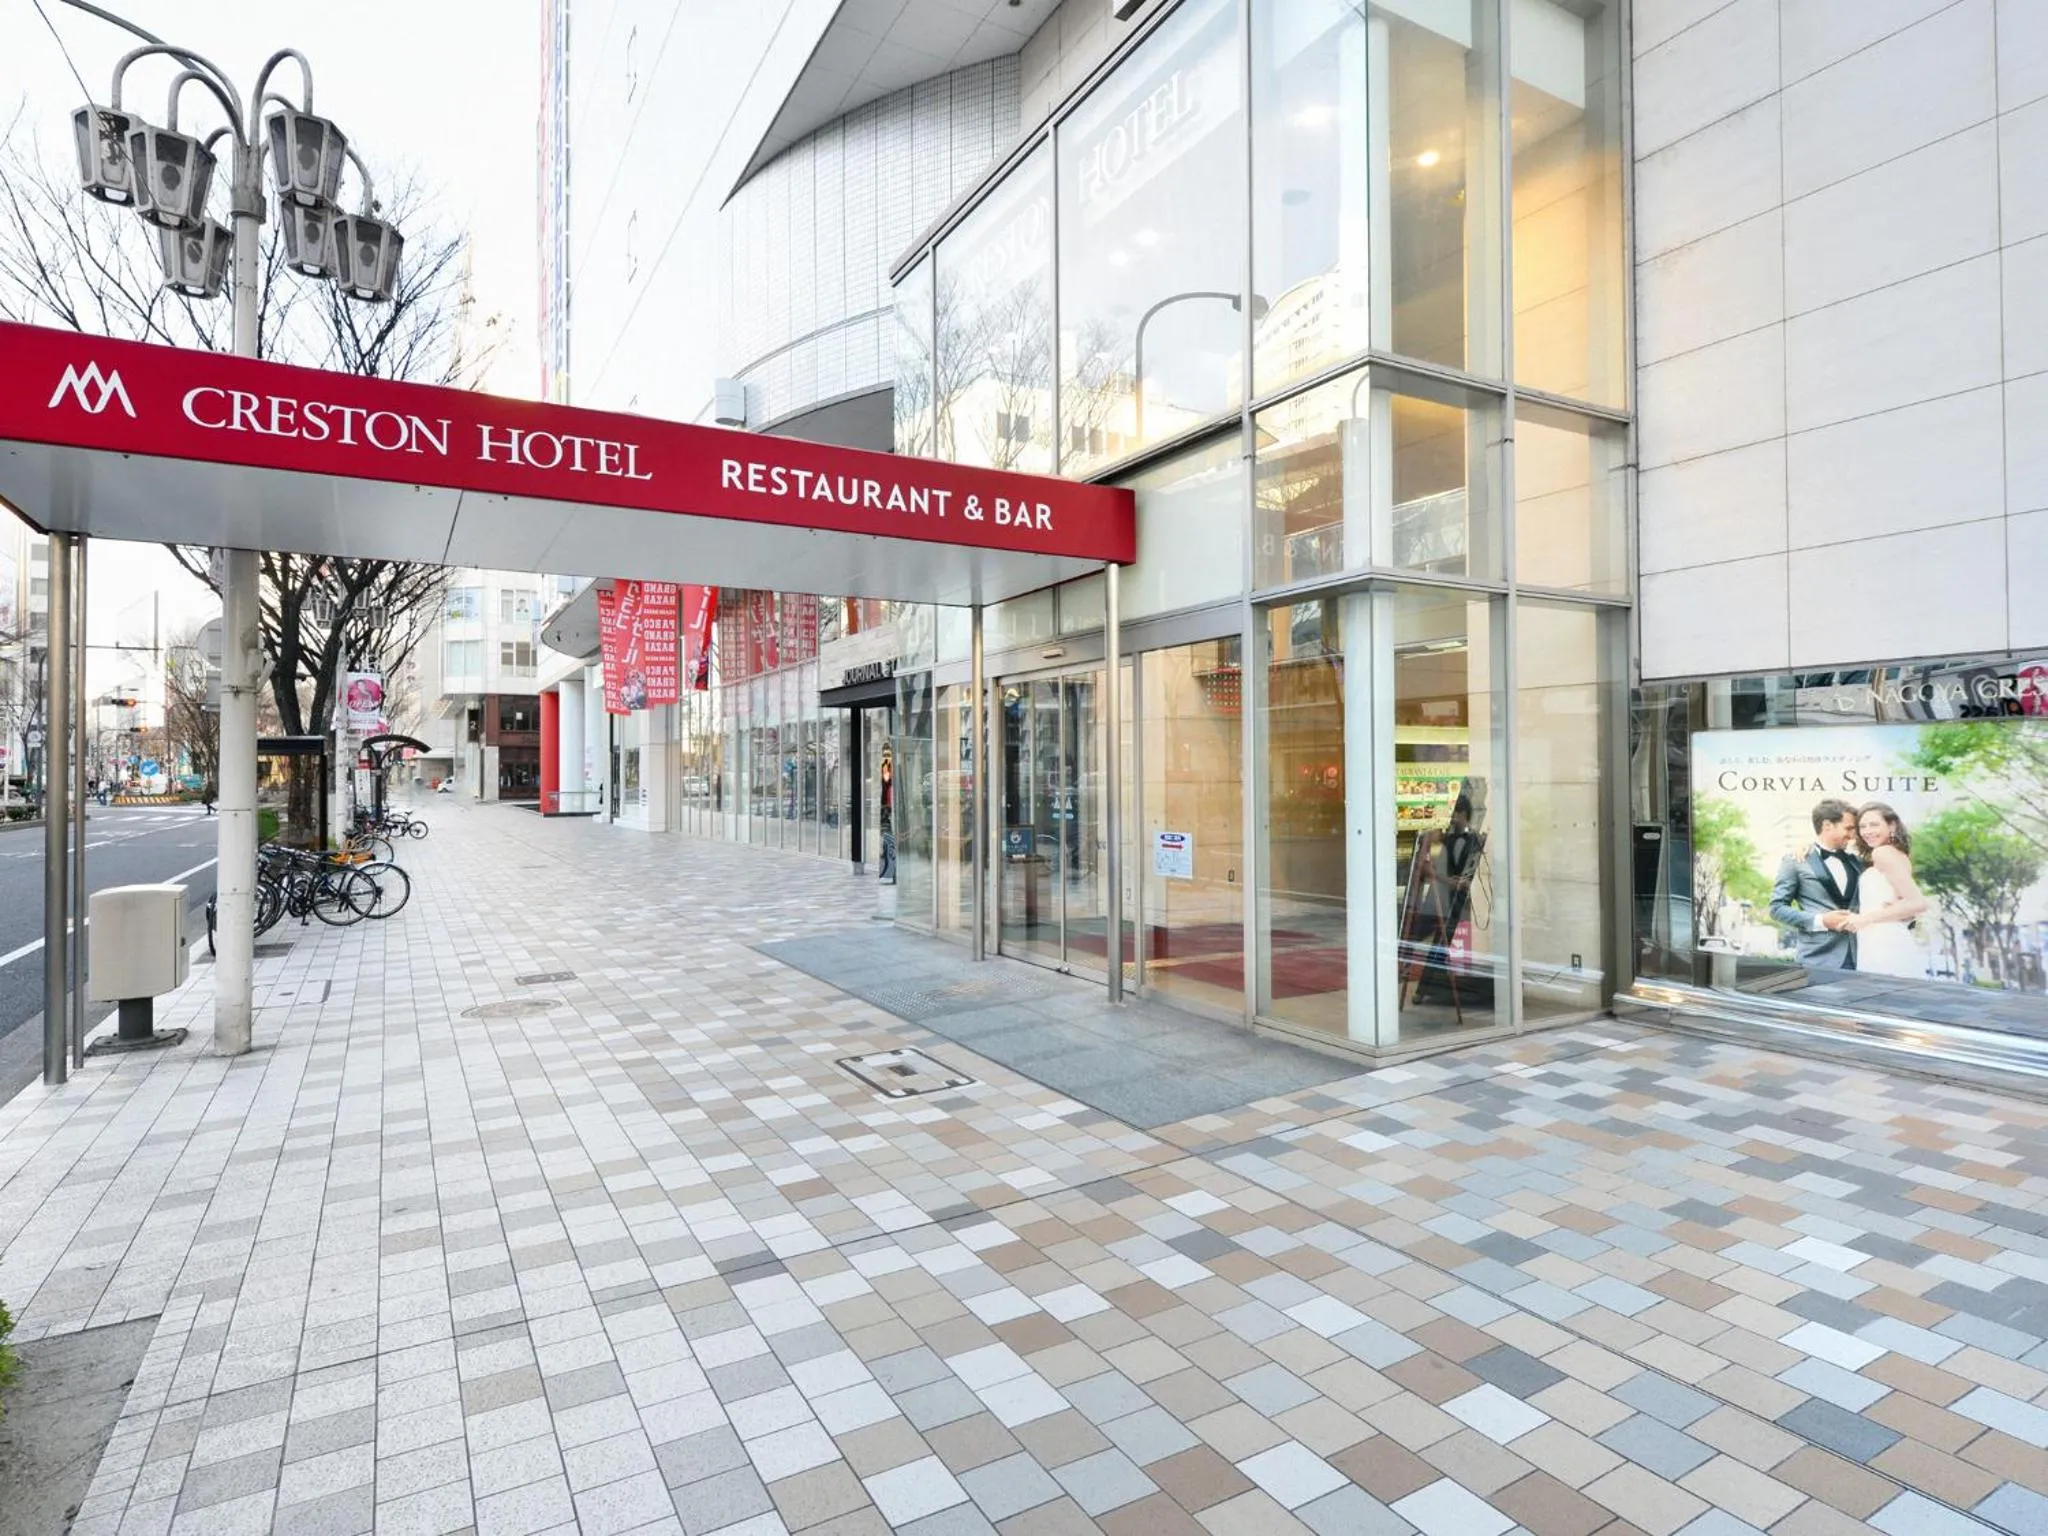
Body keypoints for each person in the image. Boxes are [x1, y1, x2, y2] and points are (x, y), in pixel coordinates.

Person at [1770, 798, 1862, 969]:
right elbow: (1777, 908)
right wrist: (1822, 921)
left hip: (1860, 958)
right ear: (1828, 825)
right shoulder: (1795, 860)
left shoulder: (1857, 862)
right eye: (1848, 828)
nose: (1853, 834)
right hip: (1816, 959)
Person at [1844, 801, 1929, 978]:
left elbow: (1917, 902)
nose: (1867, 831)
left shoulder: (1882, 853)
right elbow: (1906, 905)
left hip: (1882, 940)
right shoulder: (1900, 855)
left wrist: (1863, 919)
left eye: (1874, 824)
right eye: (1863, 826)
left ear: (1891, 825)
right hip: (1889, 936)